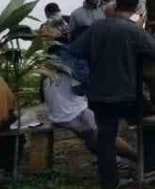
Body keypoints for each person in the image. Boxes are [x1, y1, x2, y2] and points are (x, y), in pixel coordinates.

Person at [69, 0, 155, 189]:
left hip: (98, 95)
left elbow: (75, 50)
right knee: (152, 123)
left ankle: (109, 182)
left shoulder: (96, 27)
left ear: (116, 4)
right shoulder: (132, 30)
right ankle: (149, 167)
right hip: (127, 95)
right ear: (136, 8)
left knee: (106, 136)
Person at [39, 31, 138, 164]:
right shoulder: (69, 72)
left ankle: (108, 158)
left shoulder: (47, 75)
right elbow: (81, 91)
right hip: (72, 114)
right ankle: (137, 157)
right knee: (106, 133)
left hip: (56, 116)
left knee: (92, 133)